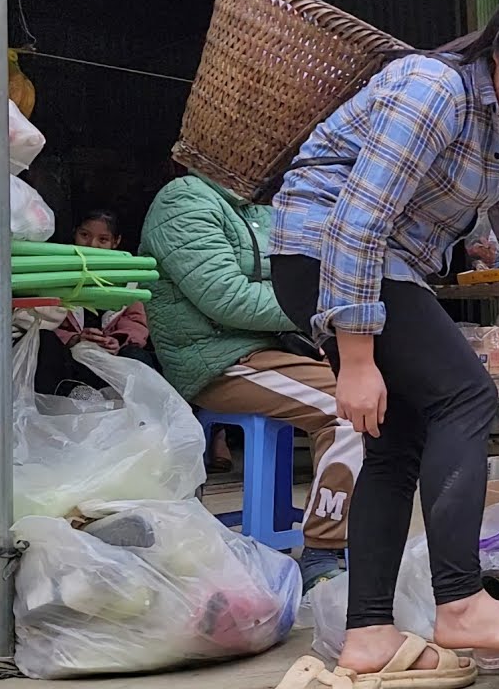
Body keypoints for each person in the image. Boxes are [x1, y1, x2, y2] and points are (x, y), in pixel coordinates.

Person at [266, 0, 499, 683]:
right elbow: (357, 223)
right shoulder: (433, 89)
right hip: (324, 250)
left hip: (377, 264)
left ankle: (367, 634)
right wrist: (357, 361)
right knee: (467, 395)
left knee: (399, 443)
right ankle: (461, 602)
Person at [138, 173, 360, 599]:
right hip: (216, 360)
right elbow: (228, 296)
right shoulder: (183, 200)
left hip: (274, 351)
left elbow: (302, 276)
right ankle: (323, 551)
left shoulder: (261, 208)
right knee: (348, 410)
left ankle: (358, 534)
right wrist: (319, 307)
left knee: (382, 393)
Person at [34, 210, 161, 396]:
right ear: (74, 233)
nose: (92, 245)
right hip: (68, 362)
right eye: (84, 235)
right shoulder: (56, 274)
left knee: (137, 357)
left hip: (112, 359)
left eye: (103, 240)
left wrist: (116, 340)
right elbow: (43, 316)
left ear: (115, 242)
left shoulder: (128, 279)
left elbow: (136, 321)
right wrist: (74, 339)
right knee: (44, 341)